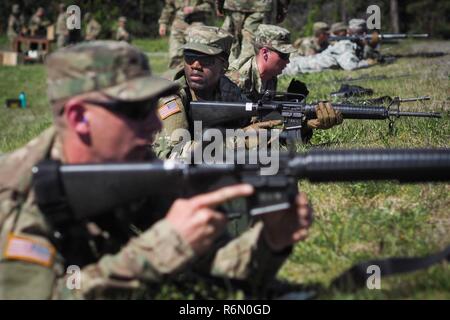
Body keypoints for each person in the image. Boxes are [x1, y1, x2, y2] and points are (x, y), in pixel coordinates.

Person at [0, 40, 313, 299]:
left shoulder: (136, 166)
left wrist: (270, 241)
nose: (154, 124)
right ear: (80, 118)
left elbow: (213, 270)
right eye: (136, 111)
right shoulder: (15, 198)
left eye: (153, 107)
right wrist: (157, 251)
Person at [227, 24, 343, 139]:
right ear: (265, 53)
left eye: (289, 55)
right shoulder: (236, 79)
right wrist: (305, 125)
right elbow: (236, 129)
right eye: (283, 55)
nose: (288, 61)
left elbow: (264, 114)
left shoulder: (270, 76)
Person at [154, 25, 248, 159]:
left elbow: (250, 119)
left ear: (224, 67)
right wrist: (243, 141)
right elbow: (173, 155)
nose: (196, 65)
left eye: (206, 60)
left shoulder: (227, 89)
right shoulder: (171, 99)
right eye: (190, 57)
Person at [216, 0, 290, 63]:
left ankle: (228, 75)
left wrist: (219, 3)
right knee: (252, 45)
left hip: (234, 4)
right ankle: (241, 76)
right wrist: (282, 7)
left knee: (231, 43)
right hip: (260, 5)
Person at [158, 0, 214, 69]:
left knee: (195, 55)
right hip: (178, 24)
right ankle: (174, 75)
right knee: (175, 56)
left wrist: (195, 9)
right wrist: (163, 23)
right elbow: (168, 7)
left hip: (197, 24)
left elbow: (210, 6)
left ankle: (193, 76)